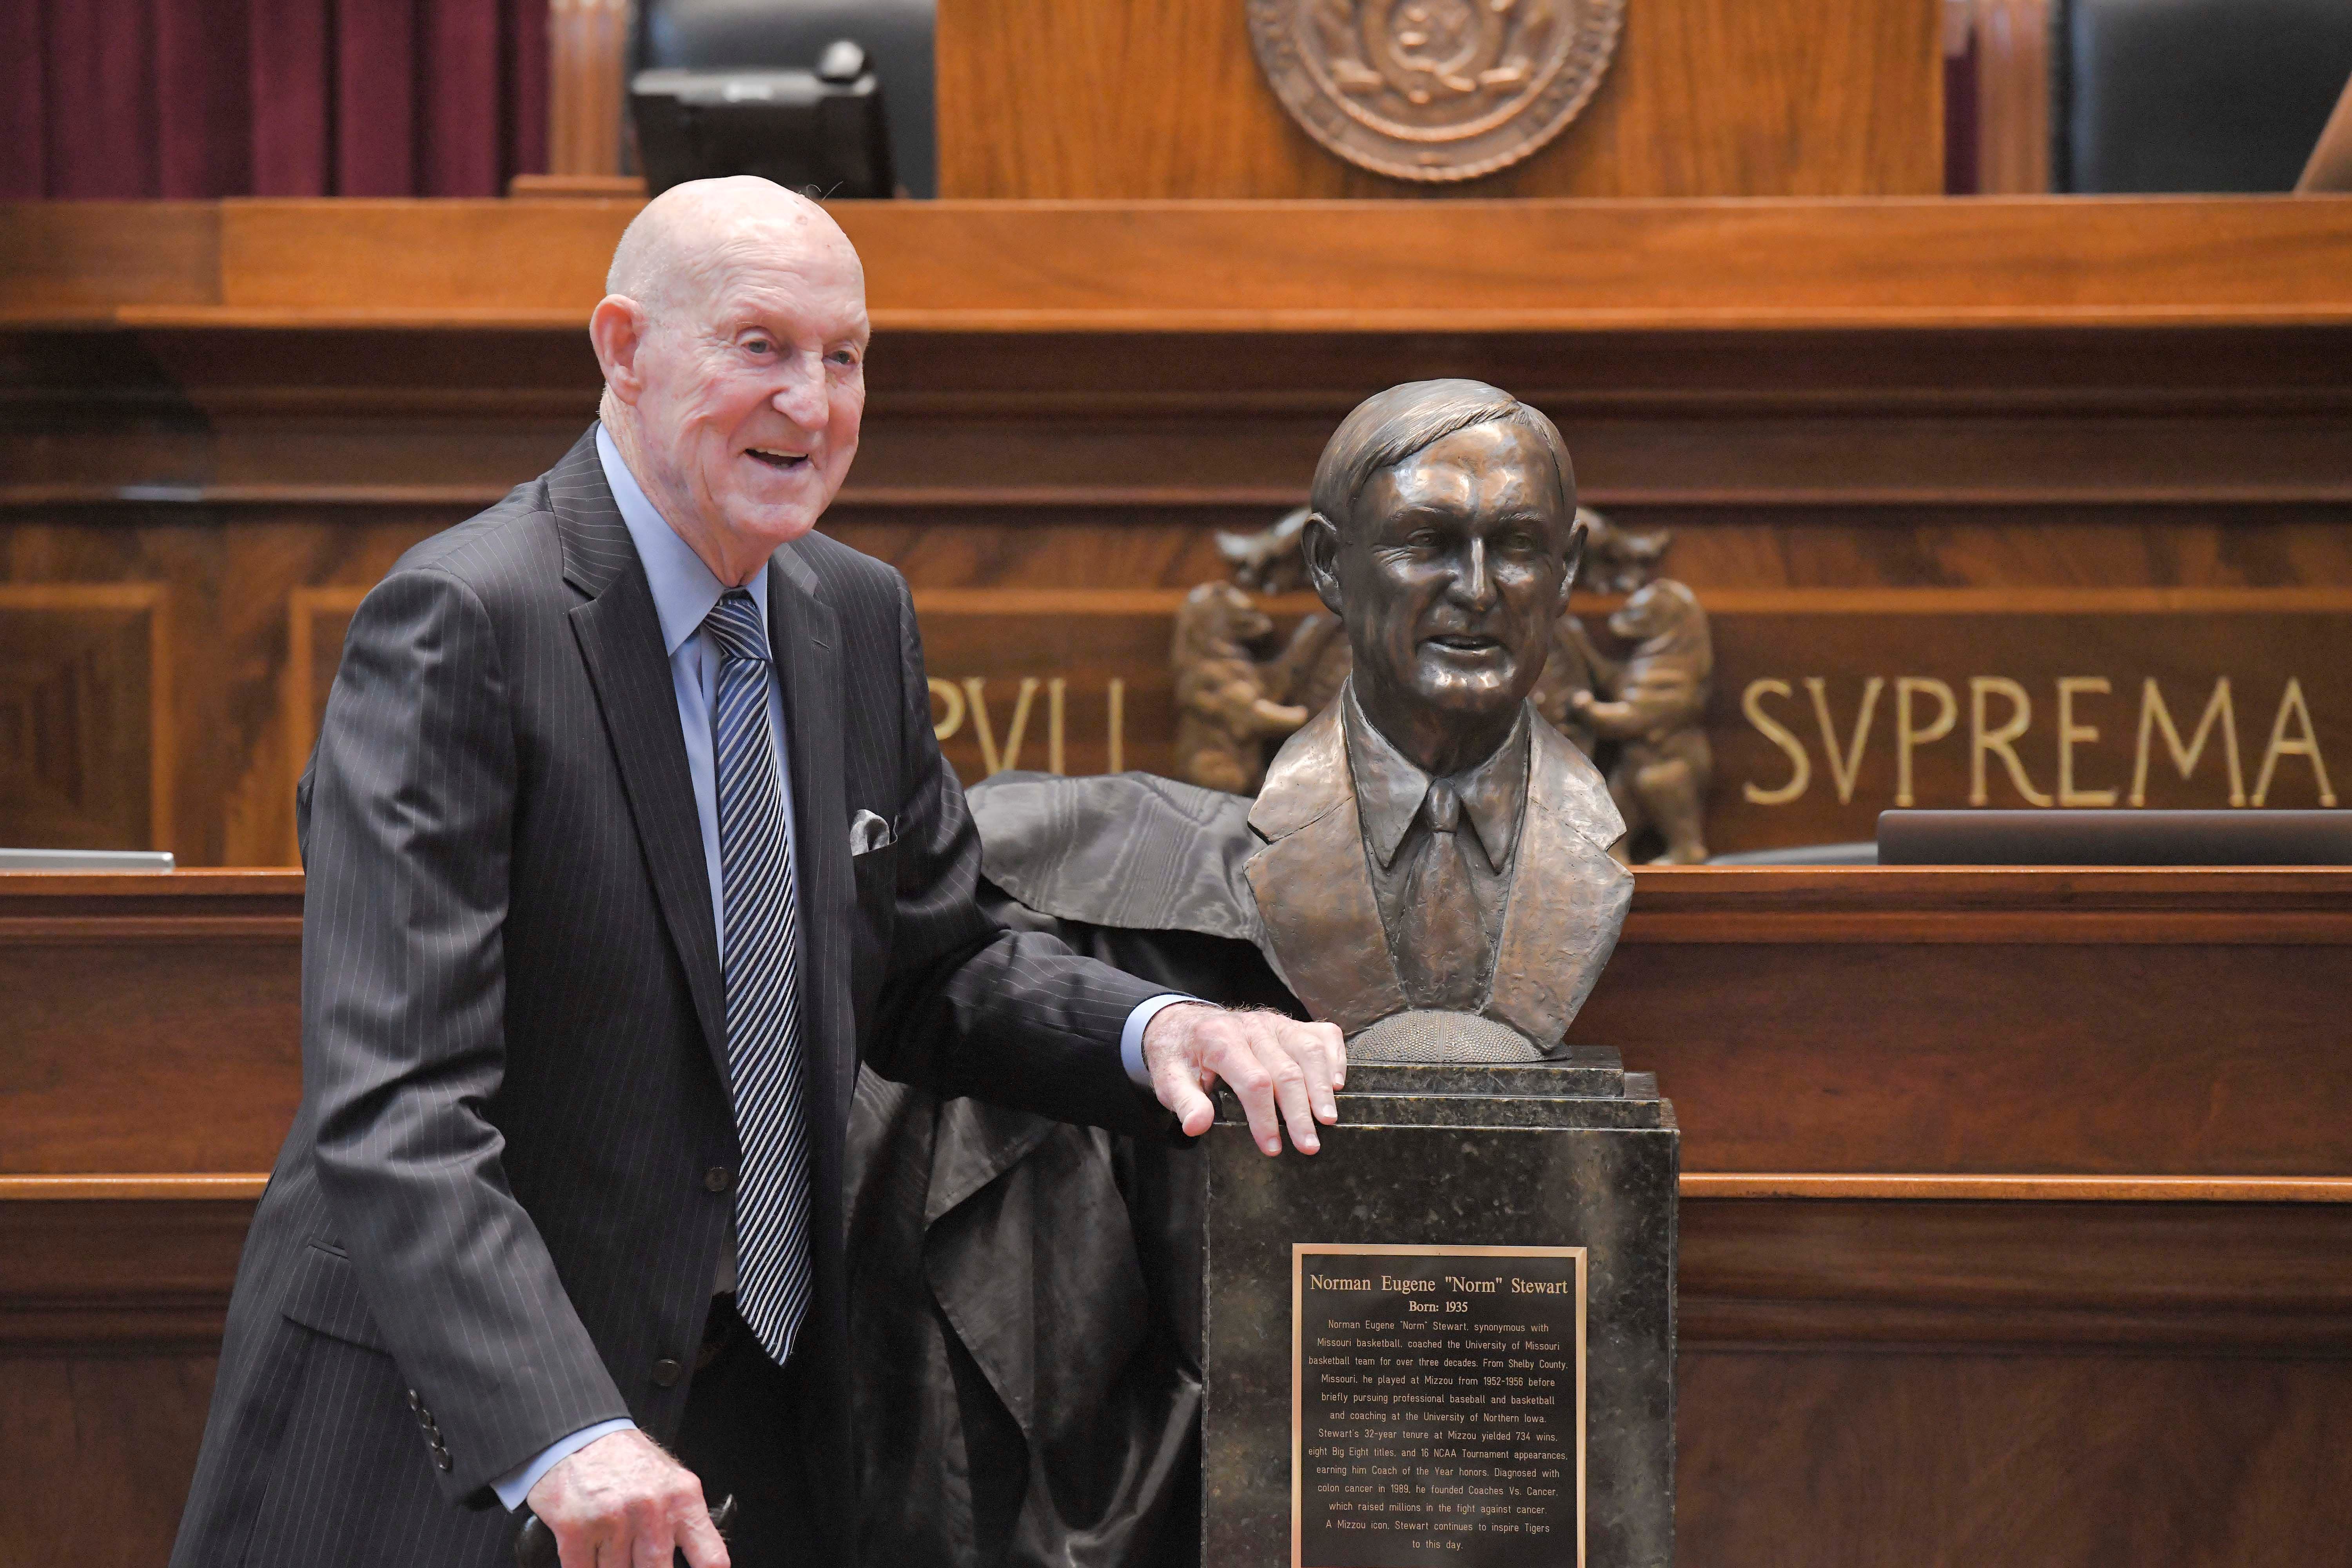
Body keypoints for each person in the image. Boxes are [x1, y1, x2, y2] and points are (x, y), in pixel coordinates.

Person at [168, 177, 1343, 1568]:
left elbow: (932, 956)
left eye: (845, 357)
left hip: (747, 1428)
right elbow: (398, 1109)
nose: (815, 403)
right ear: (624, 347)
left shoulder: (854, 612)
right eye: (760, 347)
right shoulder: (463, 623)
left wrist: (1167, 1028)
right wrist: (563, 1430)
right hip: (461, 1446)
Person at [970, 379, 1630, 1058]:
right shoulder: (1273, 832)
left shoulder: (1585, 836)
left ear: (1568, 569)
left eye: (1519, 545)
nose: (1477, 588)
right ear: (1328, 567)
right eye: (1428, 541)